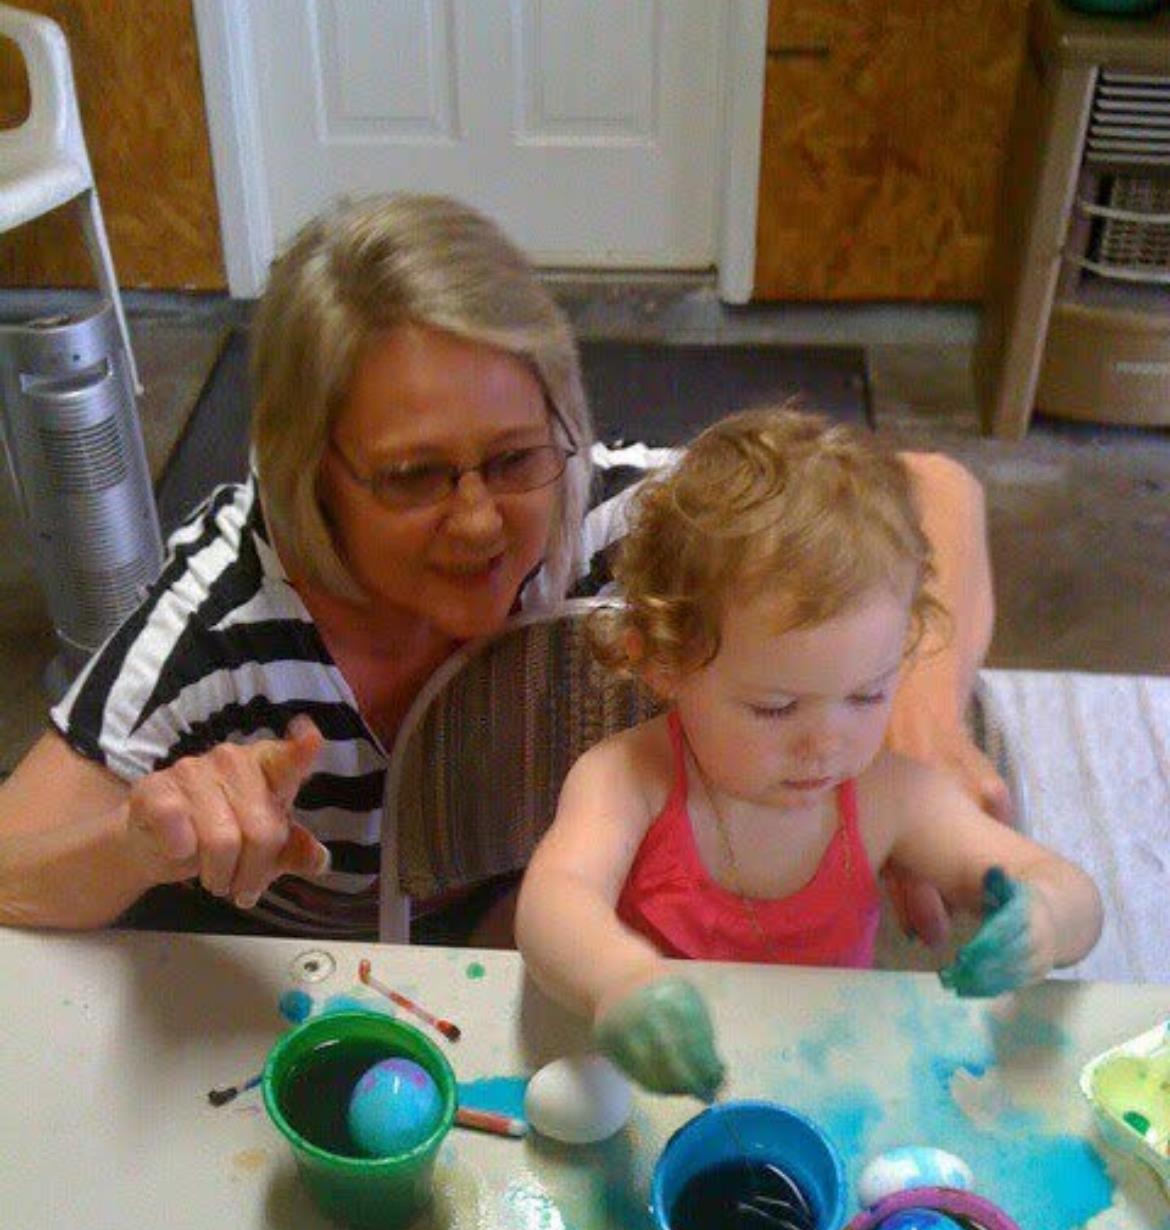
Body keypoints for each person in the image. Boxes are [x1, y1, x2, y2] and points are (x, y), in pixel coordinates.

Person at [0, 193, 1003, 942]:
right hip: (333, 988)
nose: (481, 521)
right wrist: (140, 839)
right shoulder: (214, 632)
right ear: (313, 469)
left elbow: (933, 489)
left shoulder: (619, 520)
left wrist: (920, 706)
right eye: (412, 475)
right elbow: (11, 868)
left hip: (541, 922)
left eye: (517, 456)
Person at [514, 409, 1103, 1099]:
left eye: (867, 696)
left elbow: (1073, 892)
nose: (828, 743)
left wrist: (1046, 918)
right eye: (775, 707)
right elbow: (553, 903)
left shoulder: (890, 794)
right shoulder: (629, 779)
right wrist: (618, 979)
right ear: (664, 662)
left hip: (826, 1080)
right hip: (648, 1088)